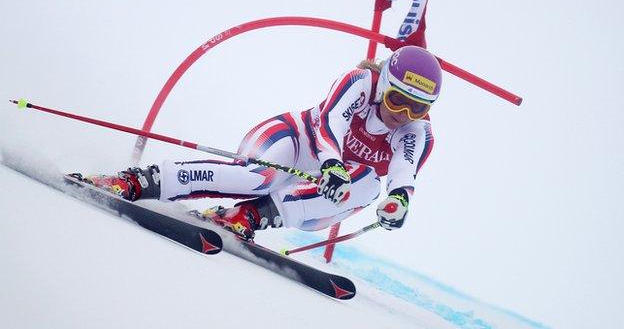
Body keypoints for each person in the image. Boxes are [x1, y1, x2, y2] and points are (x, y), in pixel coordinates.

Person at [85, 45, 440, 239]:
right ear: (383, 86)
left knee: (367, 188)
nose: (403, 113)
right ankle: (137, 180)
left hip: (318, 191)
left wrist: (399, 202)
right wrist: (332, 162)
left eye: (417, 107)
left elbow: (402, 173)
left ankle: (248, 215)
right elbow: (331, 123)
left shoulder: (416, 132)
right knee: (253, 177)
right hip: (295, 141)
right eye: (397, 100)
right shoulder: (361, 83)